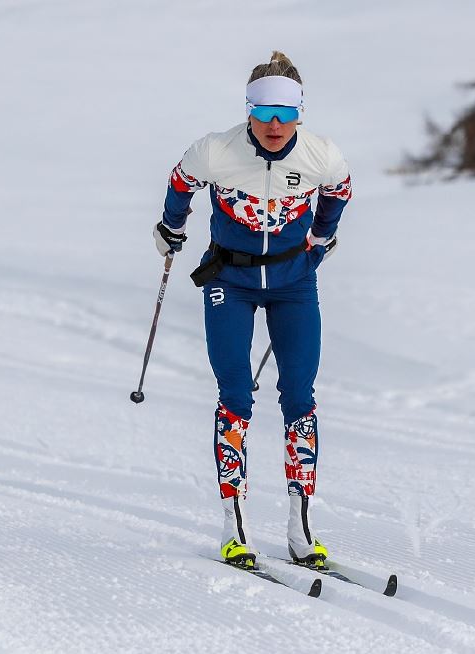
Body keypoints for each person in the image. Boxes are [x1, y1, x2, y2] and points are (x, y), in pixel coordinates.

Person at [152, 51, 351, 570]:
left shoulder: (321, 155)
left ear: (300, 114)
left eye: (285, 114)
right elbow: (181, 181)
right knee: (236, 393)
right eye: (264, 113)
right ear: (249, 111)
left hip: (293, 283)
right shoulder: (216, 151)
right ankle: (234, 527)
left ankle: (301, 530)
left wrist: (322, 236)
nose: (274, 125)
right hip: (230, 280)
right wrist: (172, 227)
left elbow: (340, 190)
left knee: (299, 396)